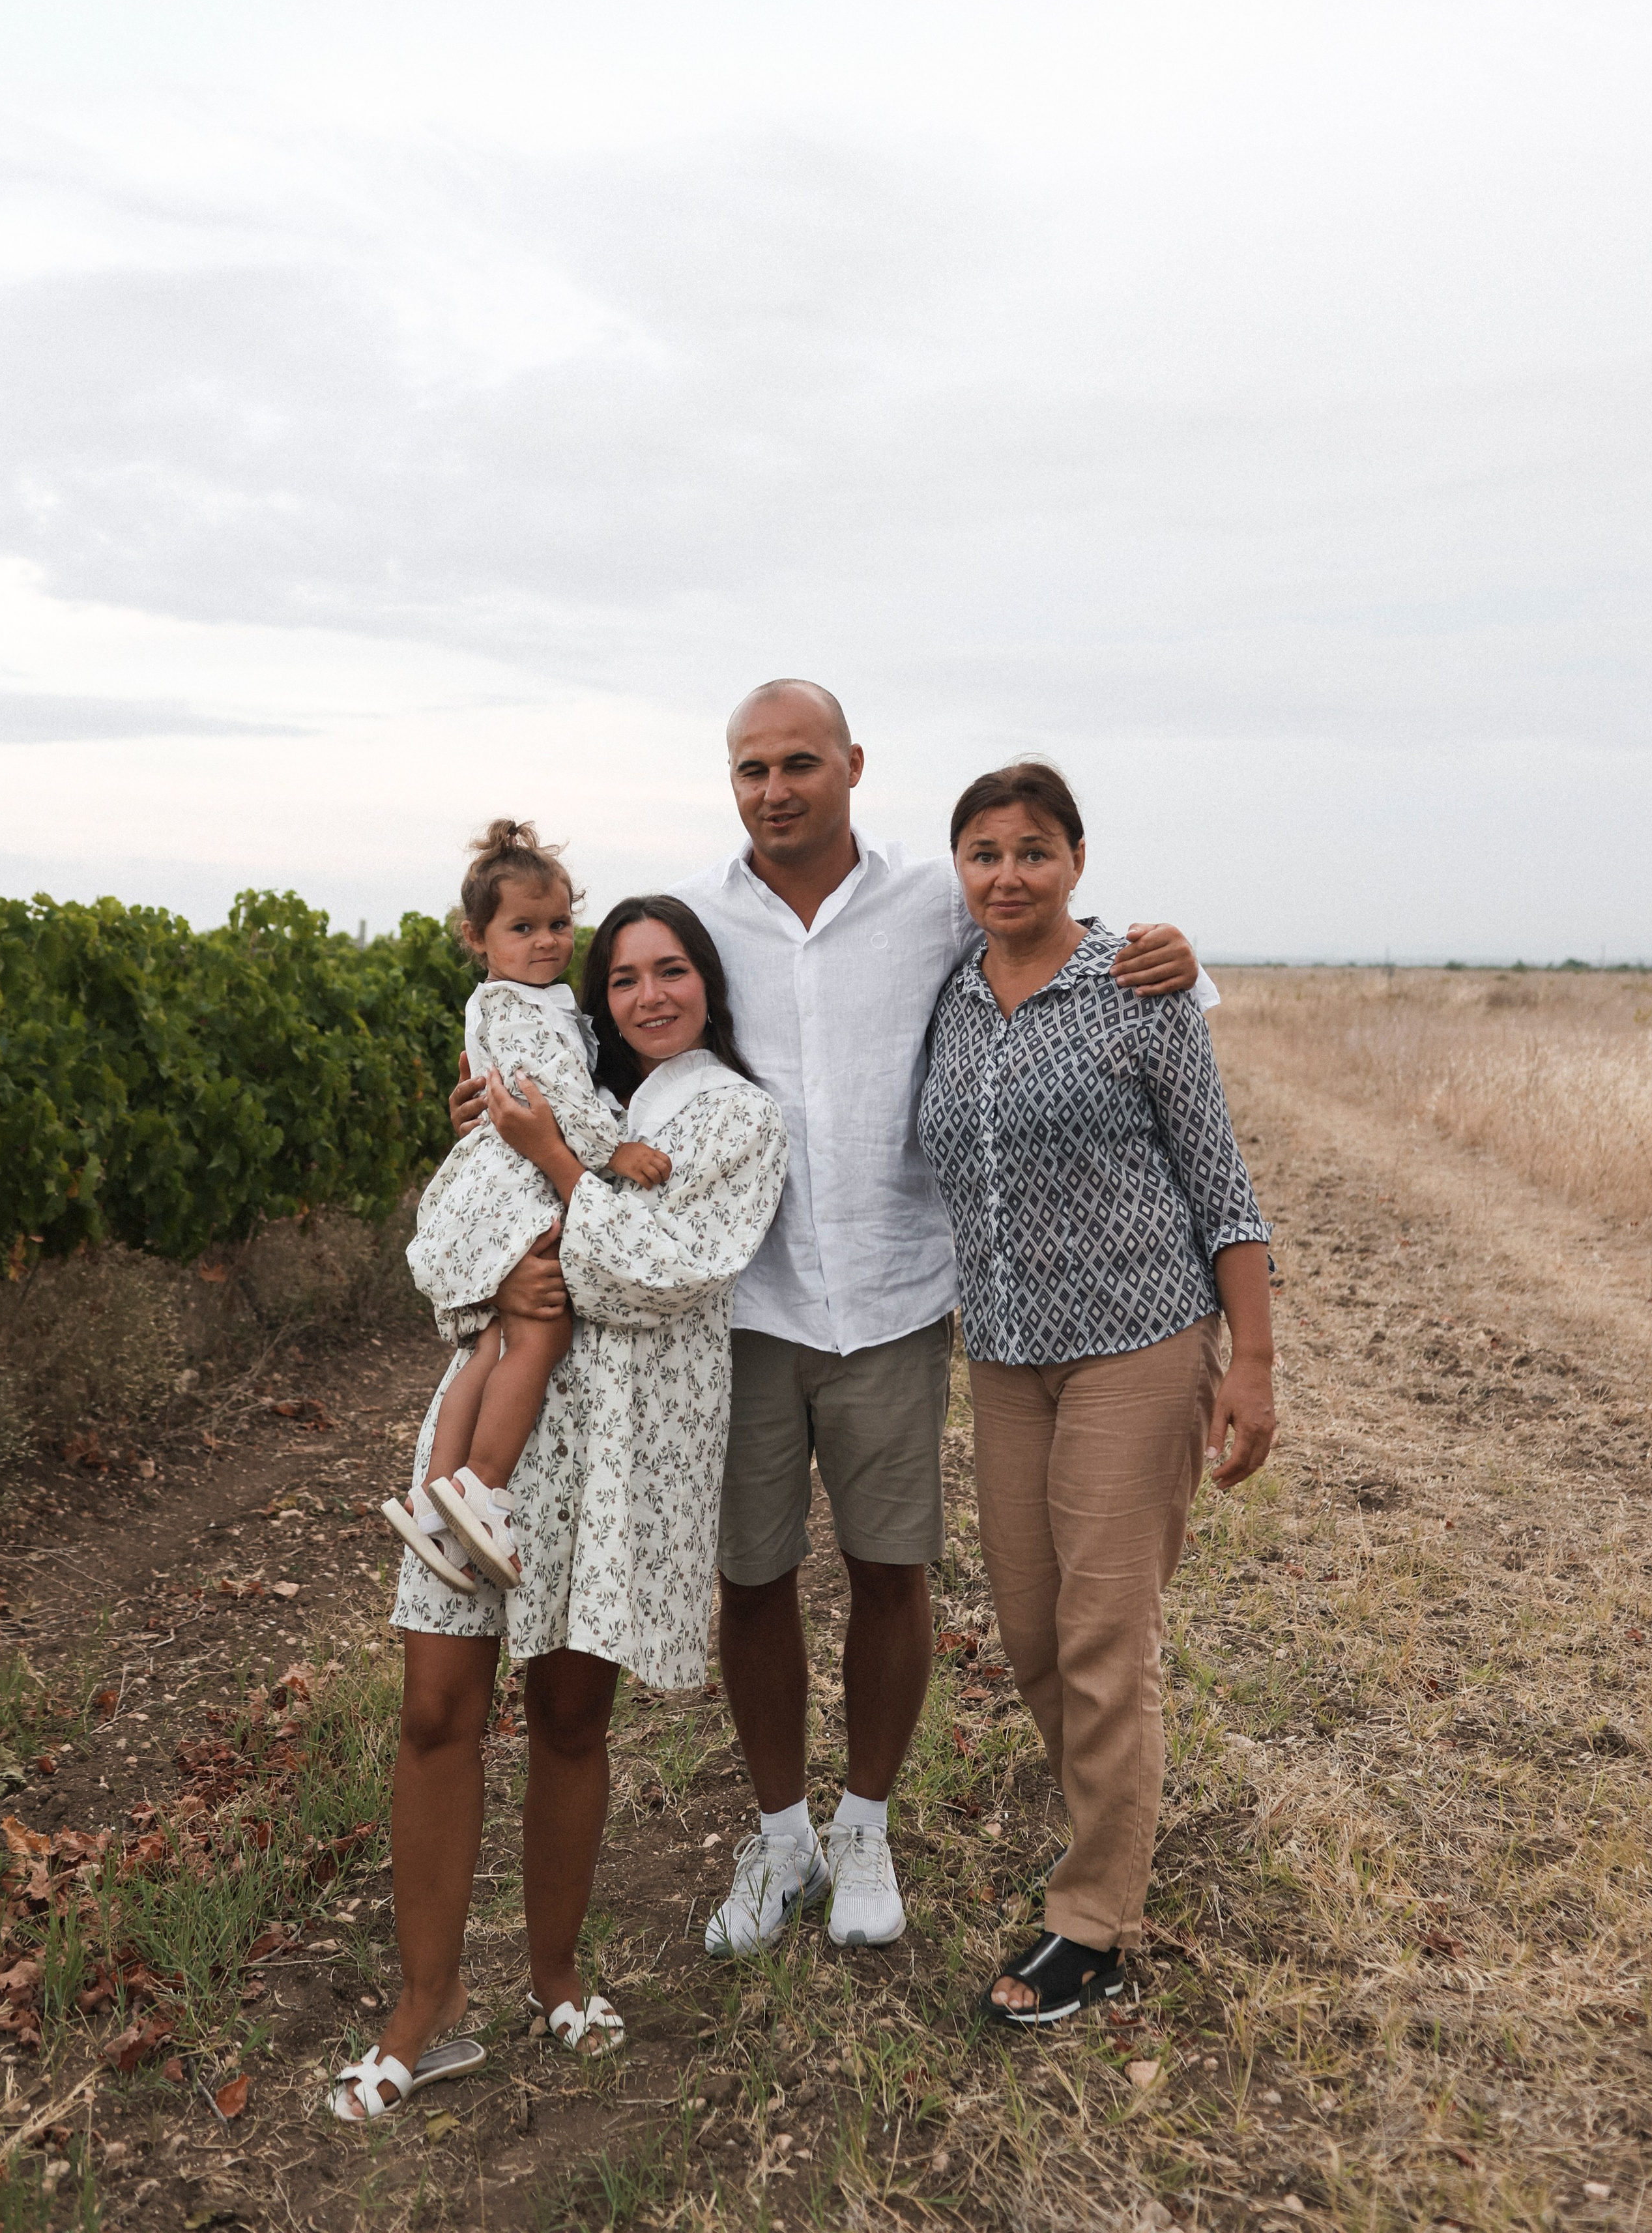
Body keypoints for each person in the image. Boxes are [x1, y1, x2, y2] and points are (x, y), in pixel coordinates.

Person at [467, 680, 1210, 1961]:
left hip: (893, 1303)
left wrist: (1173, 959)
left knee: (887, 1571)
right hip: (738, 1305)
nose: (774, 789)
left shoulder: (930, 898)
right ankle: (780, 1836)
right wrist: (500, 1111)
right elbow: (615, 1041)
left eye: (798, 762)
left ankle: (862, 1822)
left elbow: (1062, 948)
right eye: (750, 768)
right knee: (750, 1580)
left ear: (852, 765)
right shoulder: (698, 912)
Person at [330, 899, 787, 2120]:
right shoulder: (533, 1084)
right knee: (437, 1707)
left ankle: (555, 1975)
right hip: (493, 1440)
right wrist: (505, 1252)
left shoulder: (736, 1118)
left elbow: (652, 1275)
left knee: (573, 1713)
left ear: (709, 985)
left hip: (624, 1455)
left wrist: (555, 1173)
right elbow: (439, 1254)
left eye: (673, 969)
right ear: (594, 994)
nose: (648, 995)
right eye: (623, 975)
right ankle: (422, 2011)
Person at [918, 761, 1274, 2026]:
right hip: (1006, 1357)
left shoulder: (1134, 985)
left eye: (1030, 850)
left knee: (1102, 1630)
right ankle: (1109, 1830)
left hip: (1138, 1343)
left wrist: (1253, 1361)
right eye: (981, 853)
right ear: (955, 868)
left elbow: (1218, 1181)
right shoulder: (947, 998)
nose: (1005, 875)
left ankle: (1094, 1924)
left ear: (1074, 858)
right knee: (1027, 1629)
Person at [385, 821, 668, 1594]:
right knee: (541, 1331)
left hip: (490, 1184)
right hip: (514, 1185)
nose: (546, 942)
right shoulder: (522, 1009)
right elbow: (555, 1097)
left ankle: (433, 1500)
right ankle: (483, 1486)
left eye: (557, 924)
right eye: (523, 928)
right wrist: (614, 1154)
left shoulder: (514, 1000)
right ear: (478, 937)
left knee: (489, 1345)